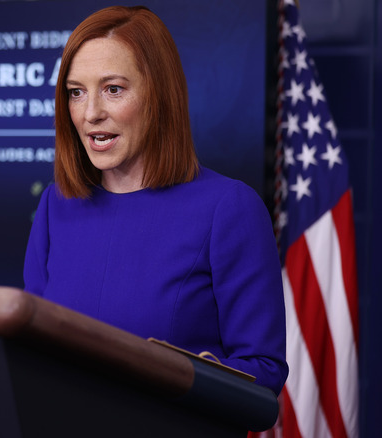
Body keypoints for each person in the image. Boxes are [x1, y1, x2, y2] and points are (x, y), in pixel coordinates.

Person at [23, 5, 288, 395]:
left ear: (159, 95)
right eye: (76, 93)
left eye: (113, 89)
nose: (91, 113)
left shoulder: (229, 209)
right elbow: (31, 349)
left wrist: (196, 377)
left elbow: (263, 371)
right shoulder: (55, 205)